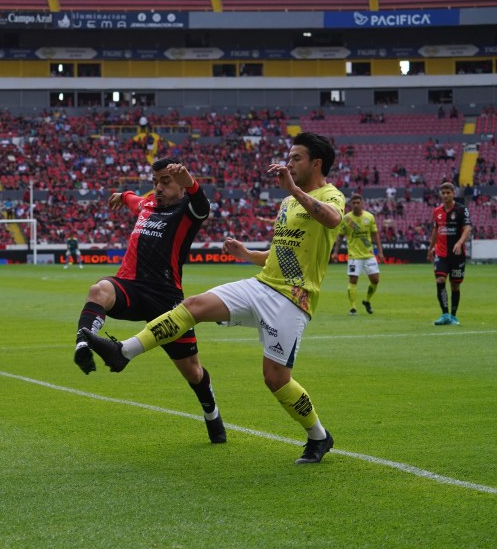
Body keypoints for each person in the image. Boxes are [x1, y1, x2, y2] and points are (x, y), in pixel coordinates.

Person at [81, 133, 345, 464]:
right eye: (289, 158)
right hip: (263, 285)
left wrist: (294, 189)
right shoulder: (287, 204)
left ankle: (318, 436)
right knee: (191, 306)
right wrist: (246, 252)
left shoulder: (331, 196)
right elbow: (281, 253)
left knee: (276, 379)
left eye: (296, 158)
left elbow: (333, 220)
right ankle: (123, 351)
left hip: (292, 299)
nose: (289, 163)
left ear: (316, 163)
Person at [73, 158, 226, 444]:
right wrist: (122, 195)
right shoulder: (146, 204)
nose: (157, 188)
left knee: (192, 371)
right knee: (98, 291)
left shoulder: (187, 210)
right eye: (154, 182)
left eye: (165, 182)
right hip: (130, 287)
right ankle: (84, 342)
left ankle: (212, 414)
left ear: (180, 185)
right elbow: (133, 199)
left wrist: (190, 182)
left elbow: (203, 205)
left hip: (166, 298)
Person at [427, 181, 472, 326]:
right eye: (443, 193)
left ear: (453, 193)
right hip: (441, 253)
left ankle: (453, 316)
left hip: (457, 254)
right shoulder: (437, 211)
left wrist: (460, 242)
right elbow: (435, 230)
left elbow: (467, 229)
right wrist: (430, 247)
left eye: (448, 193)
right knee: (440, 281)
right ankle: (445, 314)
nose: (445, 195)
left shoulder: (461, 210)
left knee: (455, 286)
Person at [331, 194, 384, 315]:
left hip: (369, 254)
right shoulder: (346, 219)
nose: (356, 205)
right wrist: (335, 252)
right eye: (353, 203)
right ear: (351, 204)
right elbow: (340, 236)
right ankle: (353, 307)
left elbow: (375, 235)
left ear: (362, 203)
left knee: (375, 280)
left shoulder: (369, 217)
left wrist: (380, 251)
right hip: (354, 256)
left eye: (358, 202)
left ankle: (367, 300)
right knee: (353, 281)